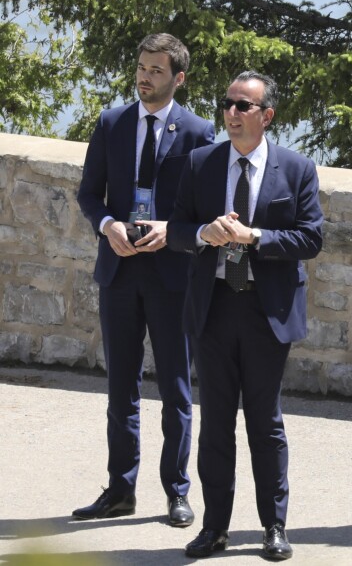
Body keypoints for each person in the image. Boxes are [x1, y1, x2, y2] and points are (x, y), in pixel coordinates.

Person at [167, 71, 323, 560]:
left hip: (266, 311)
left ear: (266, 115)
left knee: (264, 423)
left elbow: (310, 238)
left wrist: (254, 237)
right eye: (227, 104)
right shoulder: (201, 163)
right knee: (215, 423)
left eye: (243, 106)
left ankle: (273, 527)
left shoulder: (296, 169)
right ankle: (215, 528)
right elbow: (176, 230)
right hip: (213, 309)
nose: (231, 114)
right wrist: (203, 234)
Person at [74, 33, 215, 527]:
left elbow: (209, 212)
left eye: (156, 70)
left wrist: (170, 232)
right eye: (141, 67)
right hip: (118, 270)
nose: (144, 77)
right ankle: (120, 490)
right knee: (120, 389)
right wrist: (108, 225)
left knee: (176, 389)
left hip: (173, 275)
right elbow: (89, 194)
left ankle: (177, 491)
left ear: (177, 78)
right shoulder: (112, 123)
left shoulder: (198, 133)